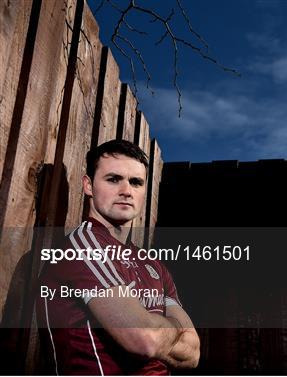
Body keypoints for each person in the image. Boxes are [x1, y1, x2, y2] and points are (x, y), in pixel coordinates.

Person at [36, 140, 200, 375]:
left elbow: (193, 351)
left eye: (136, 182)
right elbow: (144, 339)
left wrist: (152, 329)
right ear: (89, 185)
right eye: (113, 179)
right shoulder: (82, 247)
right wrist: (171, 331)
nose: (126, 190)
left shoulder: (153, 266)